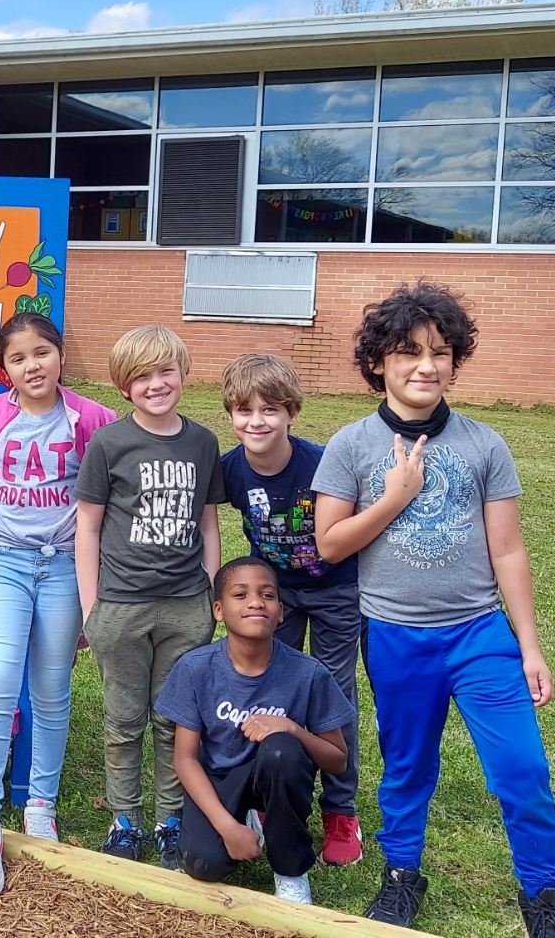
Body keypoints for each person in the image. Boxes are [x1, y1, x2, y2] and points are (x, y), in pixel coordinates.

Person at [311, 281, 555, 937]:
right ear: (378, 363)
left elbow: (507, 551)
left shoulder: (484, 445)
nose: (426, 366)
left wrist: (530, 647)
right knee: (407, 768)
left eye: (440, 352)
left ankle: (543, 892)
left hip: (479, 633)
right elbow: (330, 543)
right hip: (396, 635)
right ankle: (402, 874)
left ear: (456, 360)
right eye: (408, 352)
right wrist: (395, 496)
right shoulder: (351, 446)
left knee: (521, 768)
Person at [0, 312, 116, 898]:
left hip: (66, 567)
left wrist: (82, 557)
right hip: (5, 562)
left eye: (42, 352)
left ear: (60, 354)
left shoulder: (92, 419)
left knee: (51, 688)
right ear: (5, 369)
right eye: (18, 358)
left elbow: (109, 490)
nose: (33, 366)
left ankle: (40, 805)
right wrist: (3, 533)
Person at [74, 325, 227, 870]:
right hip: (121, 606)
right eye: (142, 376)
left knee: (173, 719)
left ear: (183, 374)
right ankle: (124, 821)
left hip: (185, 606)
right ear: (124, 386)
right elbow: (87, 528)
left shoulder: (203, 443)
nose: (156, 384)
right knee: (123, 720)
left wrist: (210, 592)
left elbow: (208, 522)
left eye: (166, 371)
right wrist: (91, 609)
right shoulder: (108, 443)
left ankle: (170, 820)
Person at [219, 353, 364, 867]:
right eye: (244, 410)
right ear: (231, 414)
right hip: (273, 596)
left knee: (333, 696)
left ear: (292, 412)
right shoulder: (230, 470)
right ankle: (265, 796)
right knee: (267, 692)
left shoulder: (324, 464)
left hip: (334, 591)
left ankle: (340, 810)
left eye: (270, 410)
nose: (256, 421)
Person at [155, 558, 352, 906]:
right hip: (219, 779)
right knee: (203, 864)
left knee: (281, 750)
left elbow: (338, 761)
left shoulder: (308, 673)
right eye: (240, 594)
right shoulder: (195, 668)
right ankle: (247, 818)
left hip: (276, 772)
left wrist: (292, 728)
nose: (256, 602)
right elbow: (185, 759)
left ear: (281, 612)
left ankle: (290, 871)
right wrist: (227, 828)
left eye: (267, 595)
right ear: (218, 610)